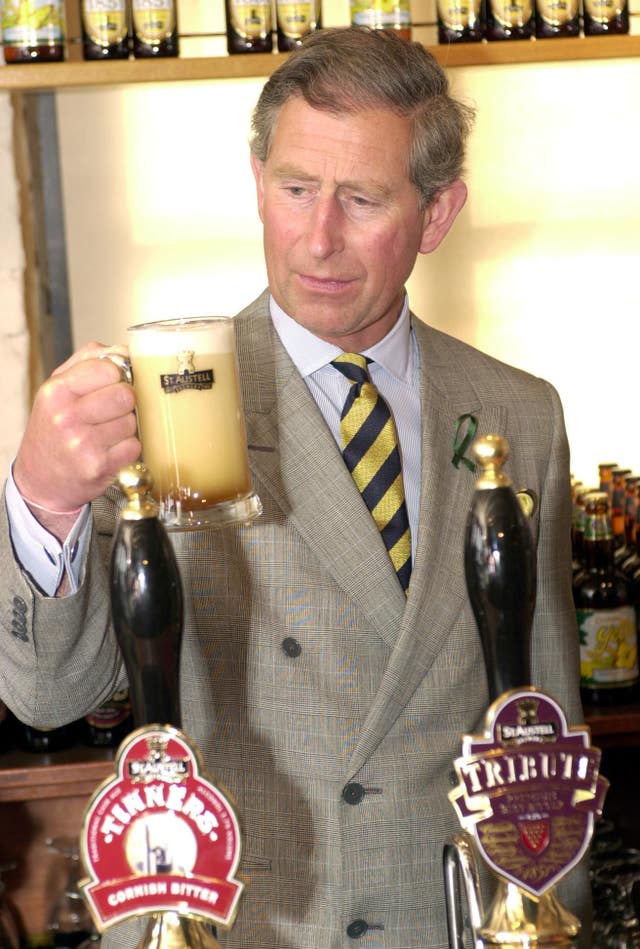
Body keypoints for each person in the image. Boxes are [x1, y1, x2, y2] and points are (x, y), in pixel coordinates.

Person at [1, 27, 589, 949]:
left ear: (436, 215)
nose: (319, 238)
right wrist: (43, 497)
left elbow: (542, 724)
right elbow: (48, 694)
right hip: (240, 926)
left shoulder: (519, 411)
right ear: (256, 181)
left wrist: (554, 921)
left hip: (444, 922)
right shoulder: (165, 391)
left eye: (362, 199)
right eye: (296, 190)